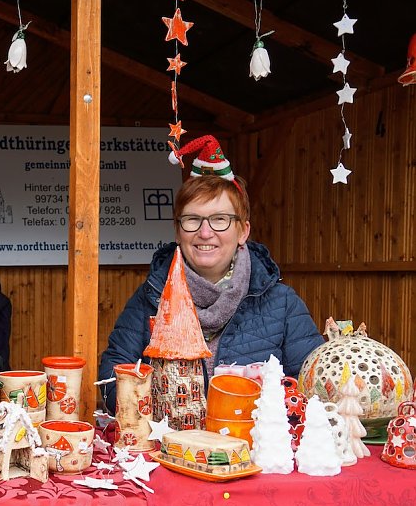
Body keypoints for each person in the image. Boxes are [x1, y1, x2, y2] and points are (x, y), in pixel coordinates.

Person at [98, 135, 324, 414]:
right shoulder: (151, 297)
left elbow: (315, 384)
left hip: (255, 451)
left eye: (220, 219)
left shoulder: (282, 303)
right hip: (170, 448)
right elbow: (112, 374)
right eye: (193, 219)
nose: (205, 233)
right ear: (178, 231)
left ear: (243, 231)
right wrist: (158, 413)